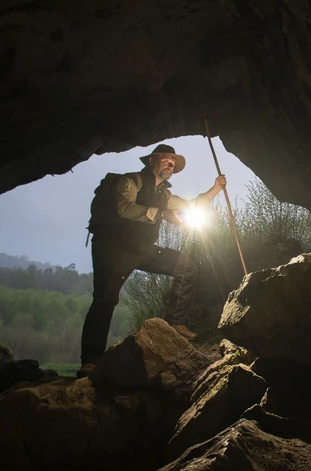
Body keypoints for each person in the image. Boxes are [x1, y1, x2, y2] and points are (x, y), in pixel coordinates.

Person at [77, 144, 227, 378]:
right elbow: (124, 208)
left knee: (186, 266)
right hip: (113, 249)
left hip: (142, 249)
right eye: (167, 159)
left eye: (173, 163)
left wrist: (216, 188)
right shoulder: (130, 181)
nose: (171, 164)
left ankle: (174, 323)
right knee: (105, 300)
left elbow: (190, 205)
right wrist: (159, 214)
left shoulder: (164, 194)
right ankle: (90, 361)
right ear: (152, 161)